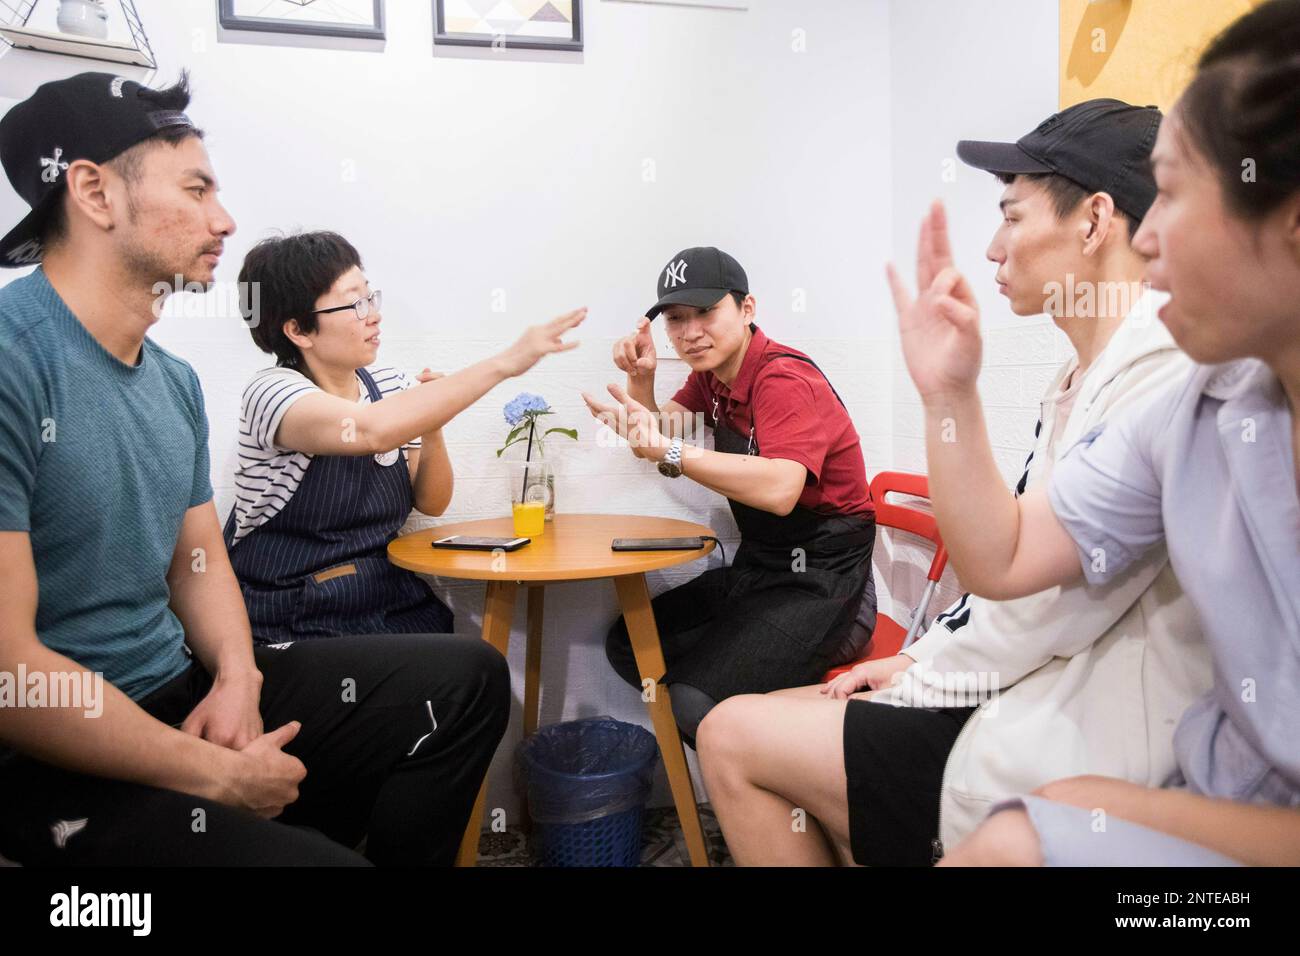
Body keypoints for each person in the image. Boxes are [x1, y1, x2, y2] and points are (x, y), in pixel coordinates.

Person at [0, 72, 527, 866]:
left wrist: (239, 679)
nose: (225, 219)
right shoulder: (15, 363)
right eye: (197, 188)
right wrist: (215, 773)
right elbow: (11, 675)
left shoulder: (171, 380)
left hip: (185, 686)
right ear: (94, 192)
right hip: (56, 756)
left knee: (470, 677)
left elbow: (198, 565)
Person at [696, 101, 1213, 866]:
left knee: (731, 732)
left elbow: (1035, 592)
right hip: (1028, 676)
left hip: (1086, 723)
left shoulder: (1160, 371)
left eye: (1012, 216)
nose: (994, 248)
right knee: (766, 718)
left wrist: (926, 664)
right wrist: (923, 657)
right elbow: (1016, 571)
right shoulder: (1088, 372)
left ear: (1095, 219)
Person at [897, 0, 1300, 866]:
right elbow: (1001, 558)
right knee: (1020, 828)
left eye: (1180, 193)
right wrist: (950, 396)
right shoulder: (1200, 407)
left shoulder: (1157, 368)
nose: (1146, 238)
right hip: (1224, 788)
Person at [225, 230, 586, 643]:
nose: (373, 315)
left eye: (370, 297)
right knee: (466, 670)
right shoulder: (272, 392)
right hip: (292, 615)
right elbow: (368, 430)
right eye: (354, 303)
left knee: (469, 663)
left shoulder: (388, 384)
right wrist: (506, 362)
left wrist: (431, 426)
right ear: (299, 331)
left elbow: (432, 502)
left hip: (383, 599)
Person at [582, 247, 877, 746]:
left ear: (747, 309)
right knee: (633, 644)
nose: (690, 332)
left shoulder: (783, 377)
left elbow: (783, 490)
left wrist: (665, 449)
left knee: (697, 701)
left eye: (706, 312)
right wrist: (643, 378)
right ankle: (749, 733)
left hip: (825, 580)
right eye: (676, 319)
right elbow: (655, 435)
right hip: (760, 567)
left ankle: (777, 784)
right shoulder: (712, 378)